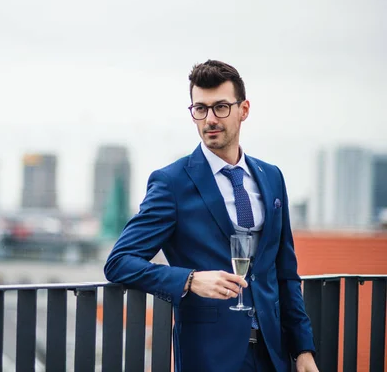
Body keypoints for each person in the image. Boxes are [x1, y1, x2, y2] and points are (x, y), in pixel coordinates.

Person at [103, 60, 318, 372]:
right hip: (209, 357)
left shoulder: (272, 177)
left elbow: (285, 273)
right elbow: (119, 261)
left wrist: (303, 349)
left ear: (243, 110)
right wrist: (190, 280)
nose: (210, 119)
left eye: (220, 107)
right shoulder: (172, 183)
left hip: (274, 354)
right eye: (200, 109)